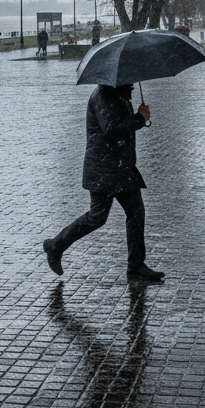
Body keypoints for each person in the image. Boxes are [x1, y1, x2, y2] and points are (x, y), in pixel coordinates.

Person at [42, 83, 164, 282]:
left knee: (136, 213)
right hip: (103, 169)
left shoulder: (119, 93)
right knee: (97, 217)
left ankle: (136, 266)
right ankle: (55, 246)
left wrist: (139, 118)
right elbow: (111, 128)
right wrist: (140, 118)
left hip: (122, 168)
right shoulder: (103, 95)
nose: (133, 82)